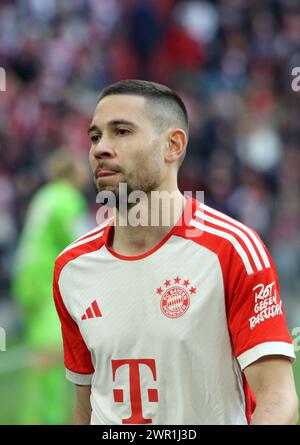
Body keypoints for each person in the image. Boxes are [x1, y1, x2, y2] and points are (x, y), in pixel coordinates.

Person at [53, 80, 298, 425]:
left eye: (121, 131)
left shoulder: (233, 250)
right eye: (95, 137)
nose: (100, 149)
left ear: (173, 145)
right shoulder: (71, 267)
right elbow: (86, 407)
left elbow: (278, 396)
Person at [12, 148, 90, 424]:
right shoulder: (67, 198)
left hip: (25, 278)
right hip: (44, 279)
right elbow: (82, 243)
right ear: (73, 173)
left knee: (39, 354)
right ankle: (52, 416)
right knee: (52, 353)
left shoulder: (45, 194)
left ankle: (32, 416)